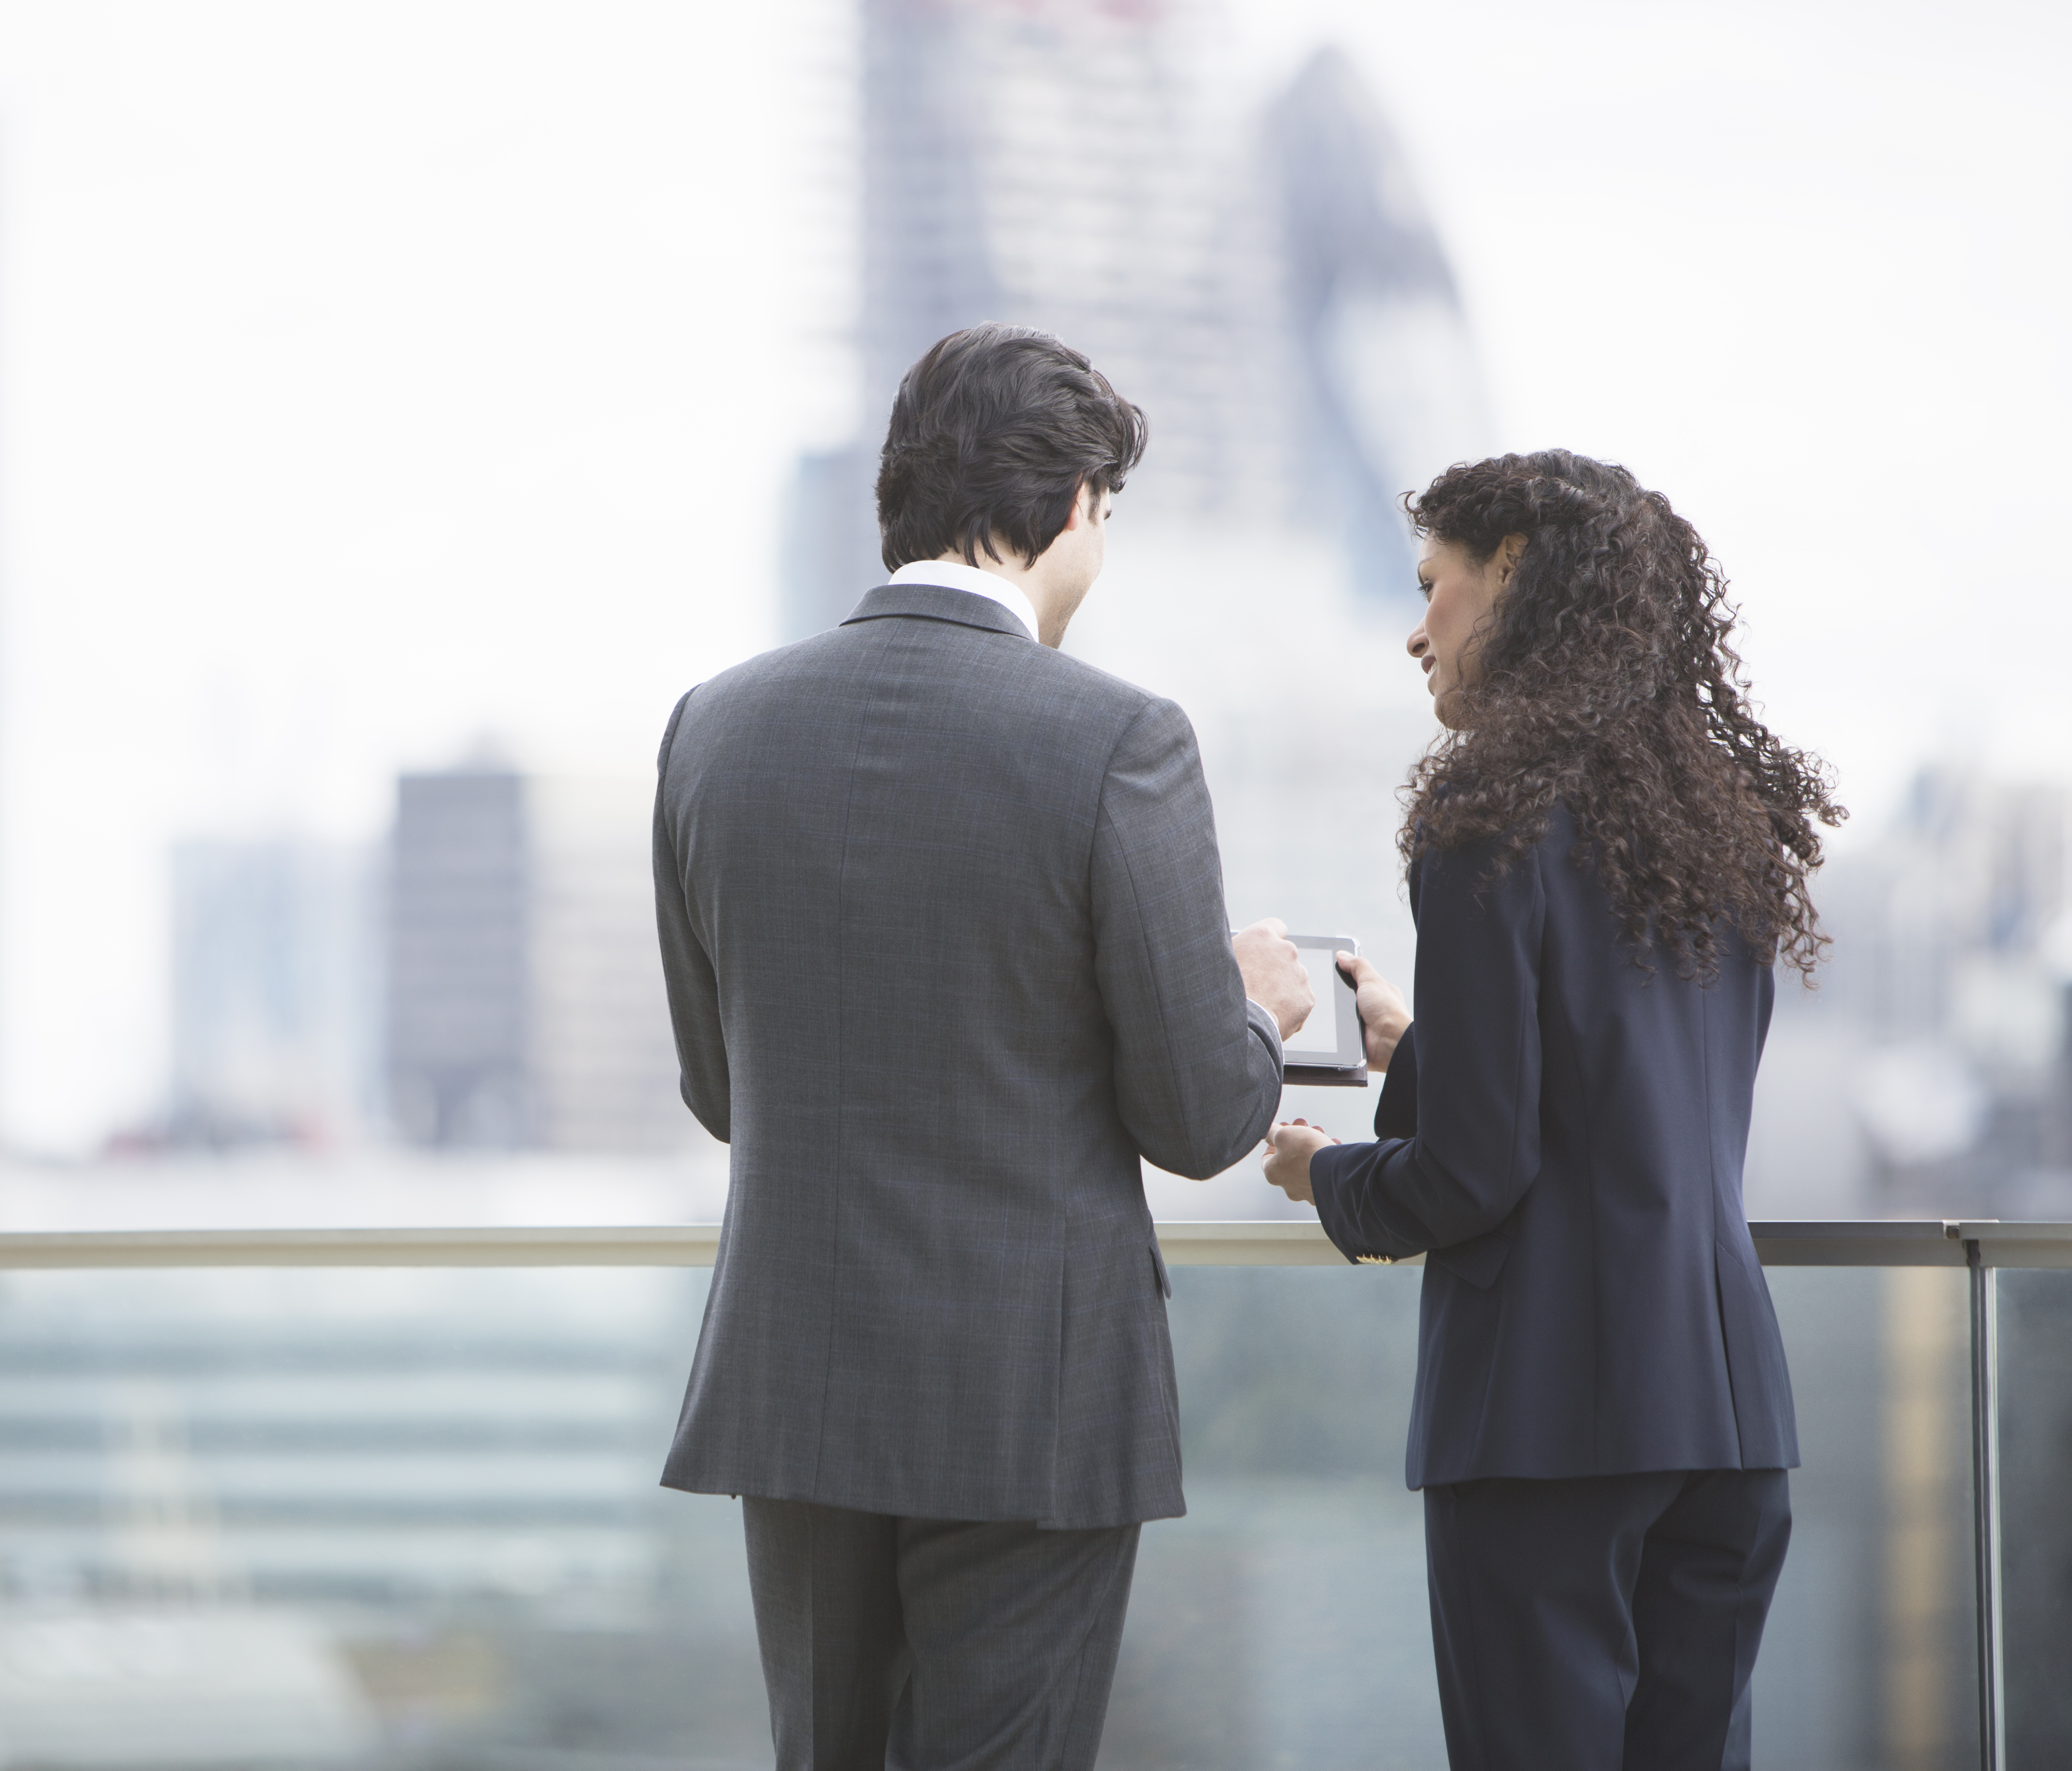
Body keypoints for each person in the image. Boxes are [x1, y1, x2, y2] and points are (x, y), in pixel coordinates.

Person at [652, 322, 1313, 1770]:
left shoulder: (715, 728)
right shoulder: (1118, 738)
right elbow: (1201, 1115)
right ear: (1074, 503)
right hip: (1032, 1399)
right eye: (1108, 518)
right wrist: (1258, 1004)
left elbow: (721, 1089)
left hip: (802, 1382)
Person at [1262, 450, 1844, 1770]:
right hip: (1727, 1418)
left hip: (1546, 1427)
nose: (1414, 632)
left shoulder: (1485, 818)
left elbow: (1474, 1173)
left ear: (1511, 575)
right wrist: (1427, 1046)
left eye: (1432, 590)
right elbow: (1620, 1089)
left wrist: (1323, 1175)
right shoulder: (1714, 822)